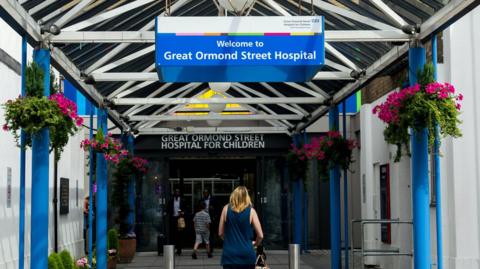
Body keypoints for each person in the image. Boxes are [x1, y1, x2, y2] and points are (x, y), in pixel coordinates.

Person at [219, 186, 264, 269]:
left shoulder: (225, 209)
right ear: (247, 197)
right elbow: (260, 235)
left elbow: (220, 233)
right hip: (247, 254)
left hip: (229, 254)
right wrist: (255, 244)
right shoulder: (251, 211)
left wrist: (230, 241)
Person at [167, 188, 186, 255]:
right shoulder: (171, 200)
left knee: (179, 235)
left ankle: (179, 249)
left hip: (180, 219)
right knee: (173, 234)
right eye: (176, 192)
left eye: (178, 192)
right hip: (173, 219)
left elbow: (185, 209)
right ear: (174, 193)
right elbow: (168, 209)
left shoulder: (182, 200)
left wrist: (183, 212)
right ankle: (172, 249)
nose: (177, 193)